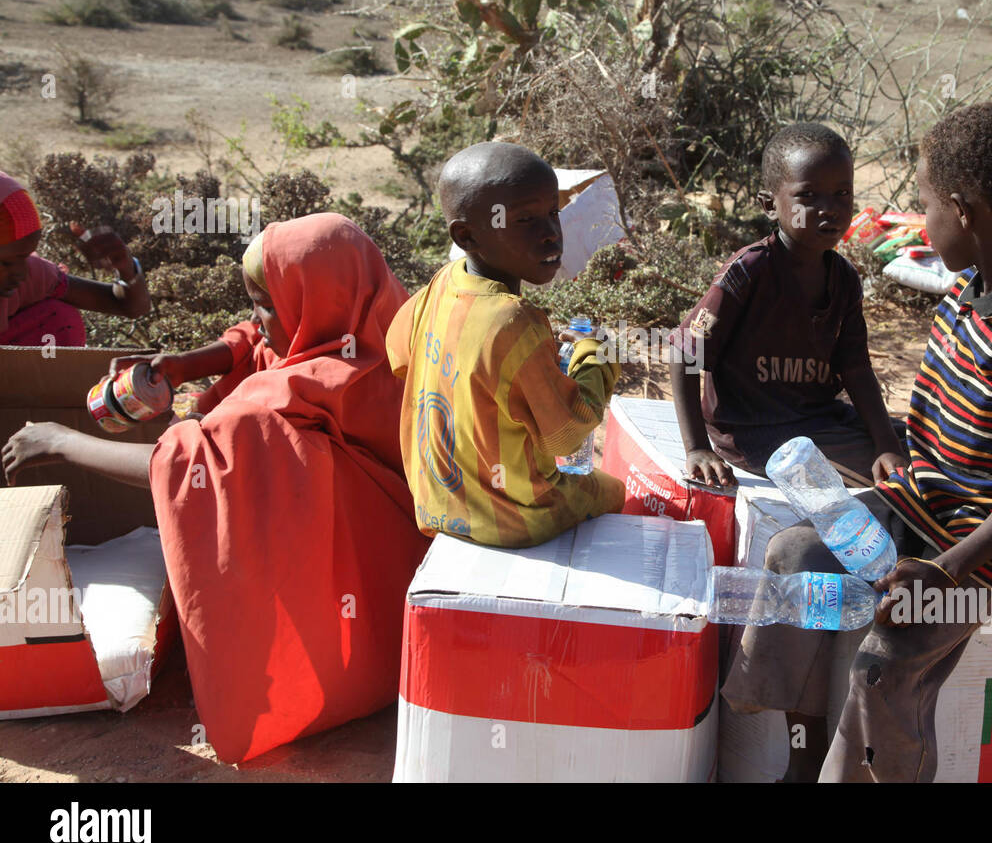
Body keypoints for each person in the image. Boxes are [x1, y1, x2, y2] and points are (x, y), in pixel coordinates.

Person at [721, 103, 992, 782]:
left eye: (925, 206)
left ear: (963, 210)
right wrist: (896, 452)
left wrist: (946, 569)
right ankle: (798, 759)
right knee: (794, 554)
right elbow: (947, 418)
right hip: (920, 508)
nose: (923, 223)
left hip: (986, 552)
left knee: (884, 665)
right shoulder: (966, 293)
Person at [3, 213, 429, 763]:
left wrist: (62, 442)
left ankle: (318, 678)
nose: (256, 317)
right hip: (404, 573)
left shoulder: (286, 398)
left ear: (315, 301)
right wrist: (191, 363)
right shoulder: (381, 321)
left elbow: (195, 466)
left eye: (267, 302)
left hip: (352, 601)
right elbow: (264, 337)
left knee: (246, 458)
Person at [386, 141, 624, 548]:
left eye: (553, 214)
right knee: (613, 491)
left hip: (436, 504)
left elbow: (399, 357)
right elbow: (567, 433)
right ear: (466, 234)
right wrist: (594, 356)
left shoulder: (440, 286)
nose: (551, 235)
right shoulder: (513, 320)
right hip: (515, 519)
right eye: (525, 220)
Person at [668, 123, 905, 490]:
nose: (829, 210)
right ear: (769, 205)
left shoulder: (844, 279)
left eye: (842, 193)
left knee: (919, 443)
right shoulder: (748, 272)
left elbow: (855, 368)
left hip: (819, 419)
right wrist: (697, 448)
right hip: (754, 435)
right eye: (808, 196)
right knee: (882, 476)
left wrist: (888, 443)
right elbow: (685, 351)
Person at [0, 169, 150, 345]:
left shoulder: (29, 276)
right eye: (7, 262)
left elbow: (127, 305)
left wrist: (125, 268)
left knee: (59, 318)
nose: (21, 272)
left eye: (24, 257)